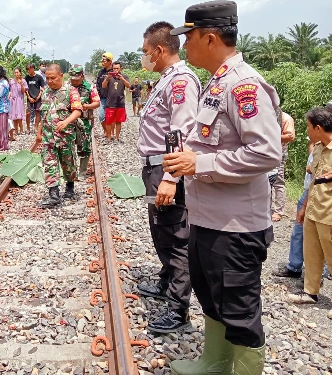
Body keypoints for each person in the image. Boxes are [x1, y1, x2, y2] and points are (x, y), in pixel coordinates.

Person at [164, 2, 282, 373]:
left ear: (210, 38)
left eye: (189, 38)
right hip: (208, 218)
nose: (184, 47)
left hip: (236, 227)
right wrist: (188, 157)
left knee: (240, 310)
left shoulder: (243, 85)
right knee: (212, 298)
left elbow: (266, 154)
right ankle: (214, 363)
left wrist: (200, 163)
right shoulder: (217, 82)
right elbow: (213, 139)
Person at [136, 21, 201, 334]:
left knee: (175, 235)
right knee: (161, 229)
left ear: (160, 51)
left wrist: (171, 178)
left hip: (167, 167)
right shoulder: (165, 80)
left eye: (147, 53)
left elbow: (181, 131)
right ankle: (166, 283)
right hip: (156, 166)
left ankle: (179, 309)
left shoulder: (181, 82)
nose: (144, 58)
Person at [288, 107, 332, 307]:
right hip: (314, 210)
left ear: (318, 127)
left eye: (308, 126)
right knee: (311, 254)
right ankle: (310, 292)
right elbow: (314, 179)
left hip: (329, 214)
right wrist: (304, 207)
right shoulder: (319, 148)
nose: (306, 130)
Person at [37, 64, 83, 208]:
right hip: (48, 137)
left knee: (68, 164)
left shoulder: (71, 91)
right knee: (49, 164)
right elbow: (43, 115)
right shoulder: (45, 93)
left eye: (53, 78)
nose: (50, 81)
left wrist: (66, 122)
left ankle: (69, 187)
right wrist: (39, 133)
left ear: (61, 75)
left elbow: (78, 111)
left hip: (65, 136)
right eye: (47, 78)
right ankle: (53, 194)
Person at [68, 65, 100, 176]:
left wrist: (87, 106)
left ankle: (82, 171)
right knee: (67, 145)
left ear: (82, 76)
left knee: (84, 146)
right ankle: (70, 170)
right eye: (72, 79)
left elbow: (97, 102)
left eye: (76, 79)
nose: (74, 81)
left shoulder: (90, 87)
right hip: (69, 120)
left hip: (85, 121)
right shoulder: (66, 86)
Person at [271, 112, 296, 221]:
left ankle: (278, 211)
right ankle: (265, 209)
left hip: (278, 154)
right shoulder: (266, 113)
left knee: (278, 182)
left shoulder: (285, 118)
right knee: (264, 181)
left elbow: (290, 136)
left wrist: (271, 136)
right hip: (265, 152)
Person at [101, 61, 131, 142]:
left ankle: (117, 137)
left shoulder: (124, 76)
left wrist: (122, 79)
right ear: (112, 68)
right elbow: (103, 86)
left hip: (120, 102)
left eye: (117, 68)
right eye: (114, 68)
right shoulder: (108, 76)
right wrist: (107, 78)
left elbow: (128, 86)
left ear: (120, 68)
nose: (116, 70)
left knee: (119, 121)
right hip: (110, 102)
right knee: (108, 121)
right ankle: (109, 137)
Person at [96, 52, 114, 137]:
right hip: (103, 97)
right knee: (101, 116)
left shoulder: (114, 72)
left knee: (111, 117)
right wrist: (98, 94)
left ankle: (110, 133)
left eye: (104, 61)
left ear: (110, 61)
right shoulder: (100, 72)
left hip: (112, 98)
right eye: (102, 61)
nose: (103, 62)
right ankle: (106, 131)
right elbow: (98, 85)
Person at [25, 63, 46, 134]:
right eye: (27, 70)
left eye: (29, 69)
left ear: (33, 68)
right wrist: (28, 96)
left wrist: (39, 96)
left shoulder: (39, 77)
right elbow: (26, 89)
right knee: (28, 113)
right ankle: (28, 128)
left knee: (37, 113)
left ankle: (36, 128)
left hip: (37, 97)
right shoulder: (26, 78)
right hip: (29, 97)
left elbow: (42, 87)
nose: (28, 71)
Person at [9, 68, 28, 137]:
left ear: (20, 73)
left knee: (19, 116)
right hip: (13, 99)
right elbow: (9, 90)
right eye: (15, 72)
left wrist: (21, 84)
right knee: (14, 116)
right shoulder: (11, 81)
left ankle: (21, 129)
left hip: (19, 99)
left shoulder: (23, 81)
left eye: (17, 72)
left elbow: (23, 91)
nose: (16, 74)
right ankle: (16, 130)